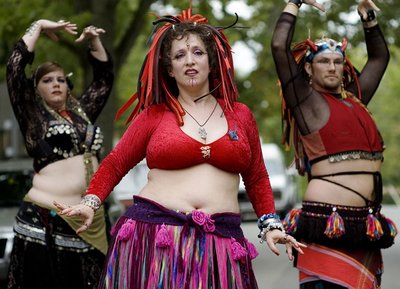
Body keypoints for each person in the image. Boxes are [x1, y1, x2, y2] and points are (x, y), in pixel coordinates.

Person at [54, 5, 305, 289]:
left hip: (221, 242)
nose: (189, 61)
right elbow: (115, 162)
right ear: (170, 69)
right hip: (155, 238)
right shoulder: (153, 115)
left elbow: (257, 176)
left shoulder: (241, 115)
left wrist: (271, 225)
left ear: (212, 61)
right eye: (179, 55)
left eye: (198, 52)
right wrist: (91, 202)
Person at [271, 0, 398, 288]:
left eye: (338, 61)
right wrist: (294, 3)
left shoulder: (355, 100)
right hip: (327, 220)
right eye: (323, 61)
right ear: (308, 69)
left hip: (364, 221)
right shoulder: (306, 103)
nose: (332, 67)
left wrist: (367, 17)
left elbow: (379, 59)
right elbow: (279, 47)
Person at [6, 19, 114, 289]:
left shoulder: (82, 113)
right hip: (46, 219)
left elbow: (104, 79)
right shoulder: (33, 116)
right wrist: (39, 26)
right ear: (36, 88)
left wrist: (93, 41)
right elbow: (15, 67)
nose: (56, 84)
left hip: (91, 218)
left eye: (60, 79)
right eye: (47, 80)